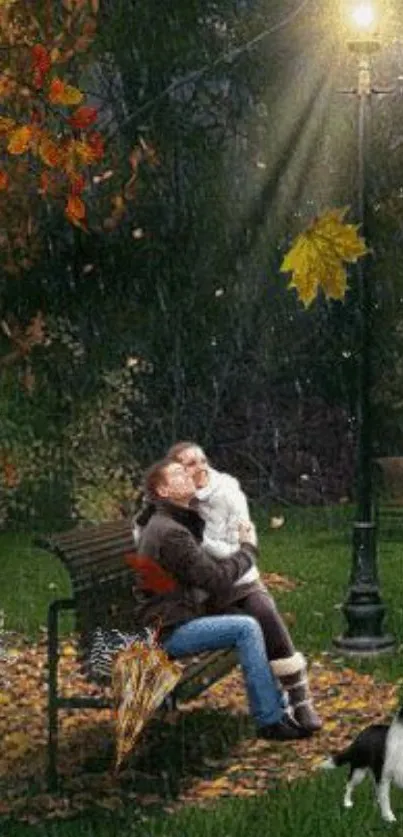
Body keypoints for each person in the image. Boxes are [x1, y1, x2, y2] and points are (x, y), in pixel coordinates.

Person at [133, 457, 312, 741]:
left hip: (173, 618)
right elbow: (215, 580)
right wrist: (248, 550)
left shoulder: (169, 523)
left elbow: (205, 576)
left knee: (255, 613)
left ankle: (279, 712)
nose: (187, 475)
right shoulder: (171, 533)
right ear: (164, 492)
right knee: (247, 627)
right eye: (178, 474)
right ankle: (270, 720)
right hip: (167, 631)